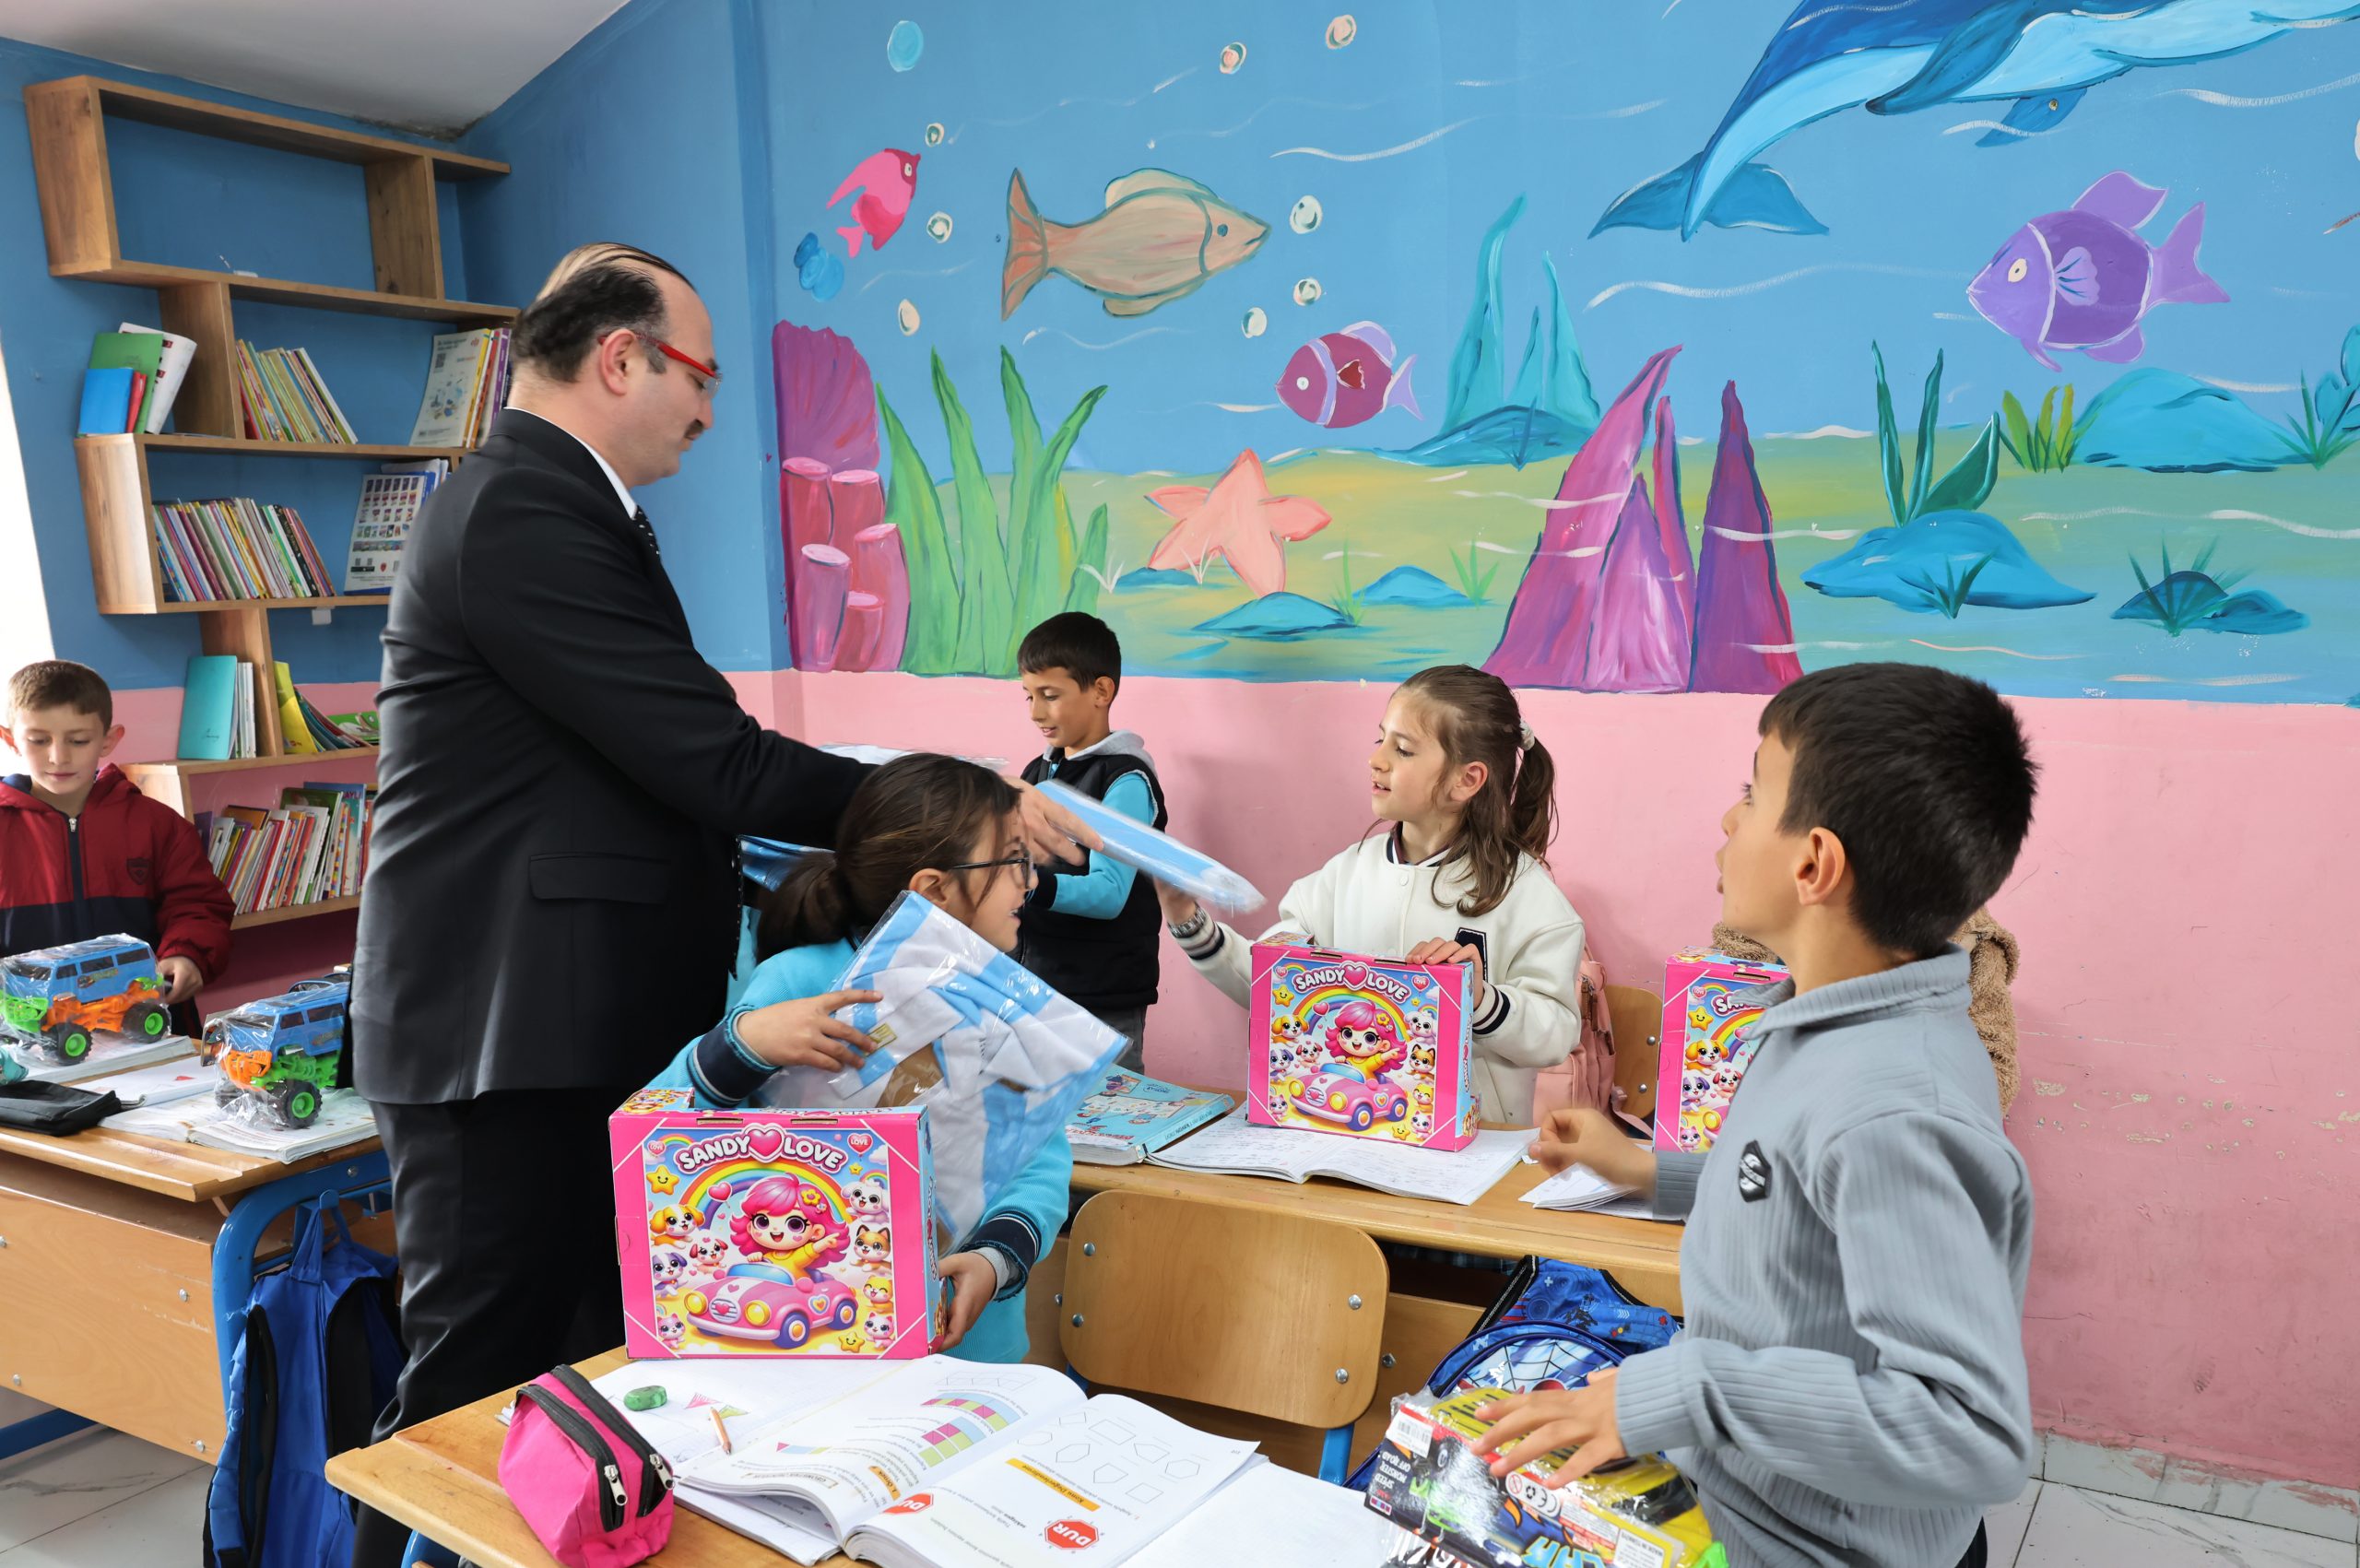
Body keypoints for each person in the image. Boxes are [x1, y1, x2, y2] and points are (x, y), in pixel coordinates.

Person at [348, 244, 1088, 1567]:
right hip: (503, 1035)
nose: (707, 410)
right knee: (469, 1407)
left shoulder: (572, 507)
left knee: (593, 1403)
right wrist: (958, 801)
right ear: (620, 358)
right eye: (700, 378)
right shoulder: (520, 509)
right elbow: (718, 762)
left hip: (562, 1027)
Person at [1470, 663, 2039, 1568]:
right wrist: (1647, 1171)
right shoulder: (1836, 1019)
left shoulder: (1895, 1107)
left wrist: (1685, 1390)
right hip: (1745, 1493)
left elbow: (1967, 1430)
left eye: (1750, 791)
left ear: (1813, 863)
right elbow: (1796, 1186)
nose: (1728, 820)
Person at [645, 754, 1065, 1362]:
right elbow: (653, 1136)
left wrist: (996, 1257)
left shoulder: (1002, 1000)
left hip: (969, 1356)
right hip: (806, 1350)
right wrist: (744, 1046)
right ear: (935, 889)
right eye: (1013, 862)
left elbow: (1038, 1158)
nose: (1030, 882)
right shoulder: (799, 983)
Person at [1155, 664, 1588, 1125]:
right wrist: (1187, 917)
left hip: (1477, 1141)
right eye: (1380, 739)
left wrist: (1480, 998)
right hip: (1346, 1128)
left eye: (1403, 749)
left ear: (1467, 780)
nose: (1376, 759)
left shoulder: (1529, 898)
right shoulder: (1343, 876)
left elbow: (1556, 1034)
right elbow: (1272, 981)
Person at [0, 661, 230, 1030]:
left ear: (108, 740)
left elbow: (198, 905)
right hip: (28, 1034)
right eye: (39, 740)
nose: (59, 756)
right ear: (11, 739)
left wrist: (188, 955)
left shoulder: (156, 823)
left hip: (146, 1023)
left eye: (78, 740)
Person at [1013, 613, 1165, 1073]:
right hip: (1036, 985)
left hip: (1102, 994)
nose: (1035, 713)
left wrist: (1024, 885)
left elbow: (1108, 894)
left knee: (1109, 1109)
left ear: (1101, 691)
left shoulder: (1126, 781)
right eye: (1029, 696)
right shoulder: (1037, 773)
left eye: (1050, 696)